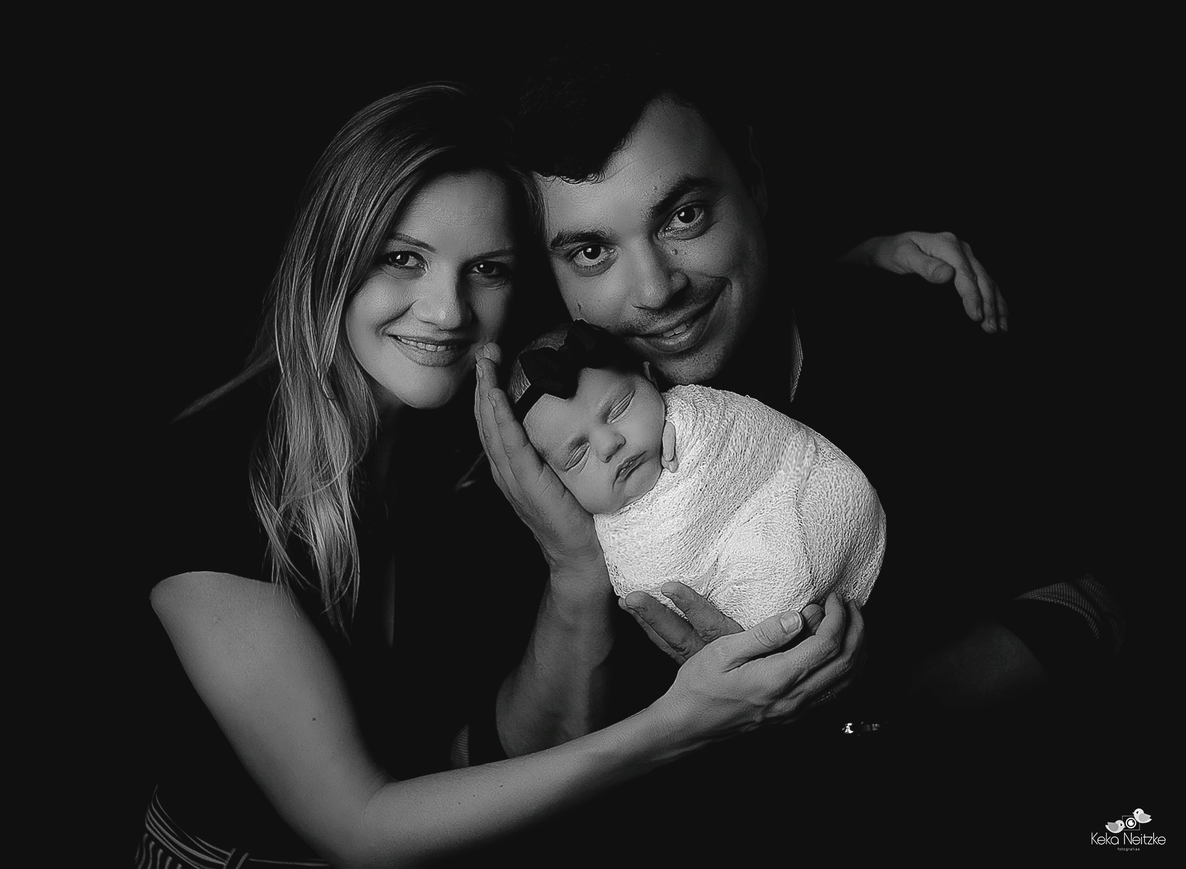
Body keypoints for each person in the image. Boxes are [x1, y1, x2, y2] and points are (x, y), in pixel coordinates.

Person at [134, 82, 868, 866]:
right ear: (332, 257)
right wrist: (678, 724)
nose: (447, 310)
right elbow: (359, 828)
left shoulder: (480, 431)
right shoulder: (207, 473)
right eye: (402, 259)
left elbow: (492, 749)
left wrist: (847, 280)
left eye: (485, 268)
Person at [472, 44, 1123, 729]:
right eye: (592, 251)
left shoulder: (916, 335)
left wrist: (851, 710)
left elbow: (1094, 603)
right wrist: (575, 574)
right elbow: (501, 762)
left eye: (685, 216)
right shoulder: (545, 463)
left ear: (753, 179)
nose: (656, 289)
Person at [506, 319, 886, 630]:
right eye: (577, 455)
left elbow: (760, 441)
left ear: (651, 380)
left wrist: (692, 424)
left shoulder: (696, 418)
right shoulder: (606, 541)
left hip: (802, 491)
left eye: (620, 408)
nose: (608, 444)